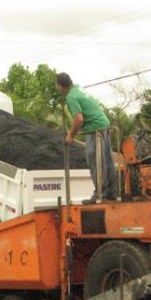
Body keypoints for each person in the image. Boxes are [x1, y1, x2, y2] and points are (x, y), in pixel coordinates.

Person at [56, 72, 117, 204]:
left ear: (61, 86)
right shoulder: (78, 88)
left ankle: (100, 194)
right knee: (107, 161)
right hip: (104, 125)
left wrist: (70, 136)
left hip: (95, 130)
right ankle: (112, 193)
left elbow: (78, 119)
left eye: (58, 86)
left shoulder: (71, 97)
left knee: (96, 162)